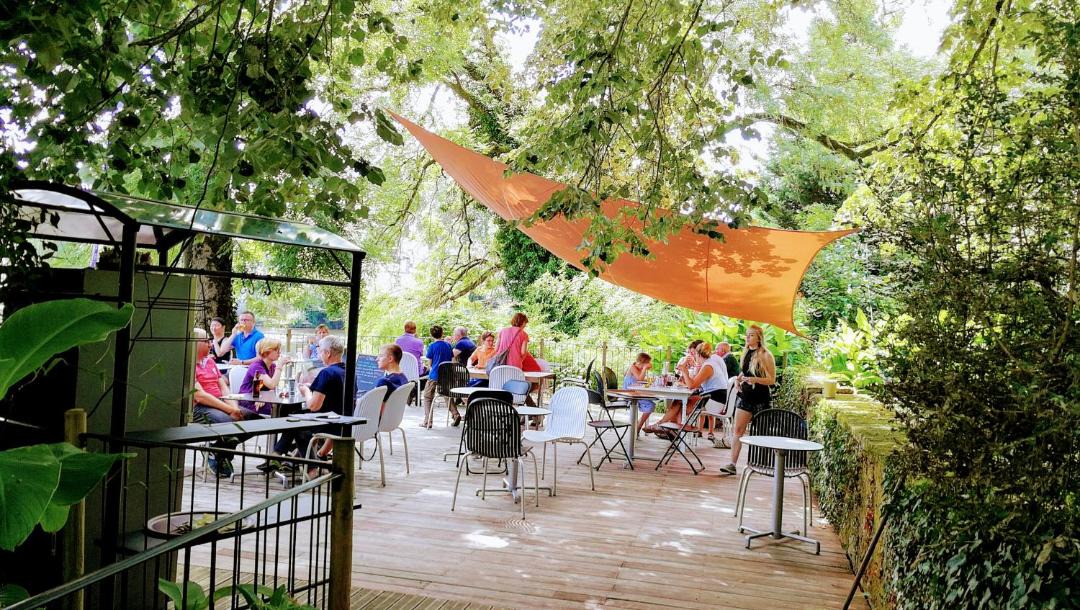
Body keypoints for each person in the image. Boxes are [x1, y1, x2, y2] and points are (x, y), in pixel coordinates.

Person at [265, 335, 349, 472]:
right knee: (295, 415)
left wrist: (306, 391)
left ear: (327, 353)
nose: (319, 354)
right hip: (342, 421)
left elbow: (313, 406)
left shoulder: (327, 373)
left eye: (320, 351)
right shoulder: (348, 372)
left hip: (328, 422)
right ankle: (277, 455)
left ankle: (311, 469)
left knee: (297, 422)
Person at [191, 328, 255, 477]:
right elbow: (200, 396)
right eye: (206, 341)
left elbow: (223, 387)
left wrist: (234, 408)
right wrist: (229, 410)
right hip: (200, 407)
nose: (210, 345)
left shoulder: (211, 363)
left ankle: (217, 451)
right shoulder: (188, 365)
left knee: (254, 420)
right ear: (195, 343)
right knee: (229, 424)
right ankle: (222, 455)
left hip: (221, 404)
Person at [720, 325, 776, 475]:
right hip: (745, 397)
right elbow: (744, 372)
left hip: (761, 398)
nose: (748, 337)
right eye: (747, 335)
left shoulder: (765, 355)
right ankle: (732, 464)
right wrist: (738, 380)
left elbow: (771, 379)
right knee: (738, 430)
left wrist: (755, 379)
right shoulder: (745, 353)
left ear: (759, 337)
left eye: (751, 335)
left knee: (761, 432)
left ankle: (762, 464)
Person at [239, 338, 291, 415]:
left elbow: (270, 389)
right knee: (274, 409)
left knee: (288, 406)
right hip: (249, 400)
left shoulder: (272, 366)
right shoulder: (256, 366)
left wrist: (264, 397)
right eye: (276, 349)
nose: (279, 352)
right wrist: (280, 365)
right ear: (266, 351)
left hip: (260, 398)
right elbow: (271, 385)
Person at [421, 326, 457, 427]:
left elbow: (430, 363)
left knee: (427, 396)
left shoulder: (432, 346)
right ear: (442, 333)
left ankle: (428, 421)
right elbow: (452, 360)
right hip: (446, 375)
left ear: (431, 335)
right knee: (447, 395)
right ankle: (455, 414)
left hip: (435, 375)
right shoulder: (448, 345)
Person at [624, 352, 656, 436]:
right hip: (630, 393)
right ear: (642, 362)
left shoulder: (639, 368)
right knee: (650, 405)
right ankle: (638, 426)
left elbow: (640, 380)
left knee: (652, 399)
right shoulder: (633, 367)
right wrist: (644, 368)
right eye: (646, 363)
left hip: (636, 392)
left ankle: (638, 425)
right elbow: (638, 379)